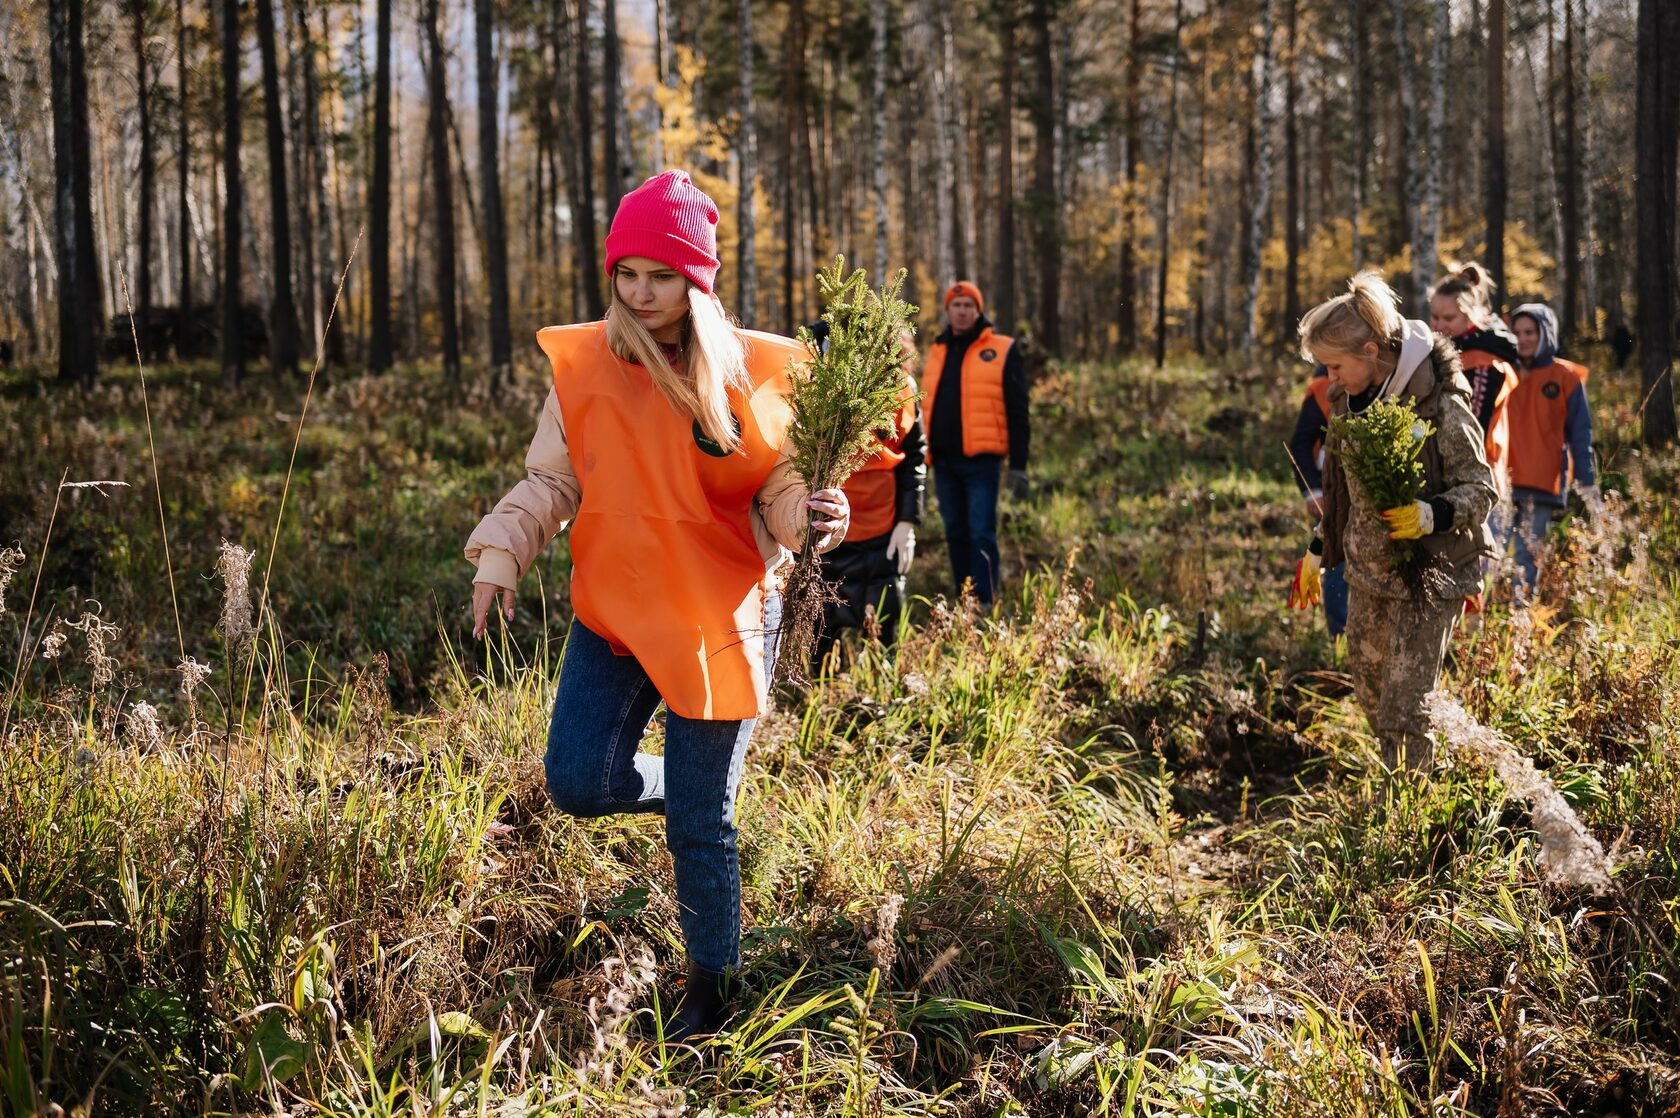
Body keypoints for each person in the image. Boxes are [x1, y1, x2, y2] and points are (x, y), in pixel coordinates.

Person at [463, 170, 850, 1045]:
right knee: (578, 780)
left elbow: (784, 489)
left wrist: (817, 515)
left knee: (697, 838)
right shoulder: (589, 364)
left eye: (662, 276)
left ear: (698, 279)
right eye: (627, 273)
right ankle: (699, 797)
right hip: (615, 615)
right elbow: (550, 481)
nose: (641, 293)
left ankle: (713, 991)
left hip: (719, 614)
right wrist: (499, 554)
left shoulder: (753, 373)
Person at [1288, 272, 1496, 773]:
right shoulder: (1346, 401)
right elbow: (1340, 492)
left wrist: (1432, 514)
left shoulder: (1441, 399)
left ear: (1369, 348)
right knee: (1373, 695)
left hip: (1433, 575)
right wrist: (1319, 551)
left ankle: (1410, 823)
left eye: (1336, 366)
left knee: (1407, 711)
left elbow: (1481, 488)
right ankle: (1419, 781)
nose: (1330, 379)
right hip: (1368, 574)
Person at [808, 322, 925, 668]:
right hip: (828, 533)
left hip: (882, 530)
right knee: (822, 631)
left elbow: (914, 456)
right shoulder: (826, 389)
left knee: (885, 632)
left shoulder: (905, 391)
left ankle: (883, 694)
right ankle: (822, 696)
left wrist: (907, 522)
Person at [924, 281, 1030, 607]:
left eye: (969, 305)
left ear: (978, 310)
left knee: (981, 530)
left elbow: (1018, 408)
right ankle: (964, 597)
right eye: (956, 306)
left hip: (983, 461)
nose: (962, 311)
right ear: (948, 311)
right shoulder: (937, 350)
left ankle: (984, 601)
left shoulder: (1002, 348)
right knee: (954, 531)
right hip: (943, 461)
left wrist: (1019, 466)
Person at [1503, 302, 1601, 596]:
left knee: (1526, 557)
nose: (1523, 338)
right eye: (1517, 332)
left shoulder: (1566, 377)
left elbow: (1581, 434)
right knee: (1489, 555)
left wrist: (1587, 484)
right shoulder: (1505, 371)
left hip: (1543, 482)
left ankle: (1522, 620)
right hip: (1502, 483)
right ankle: (1477, 626)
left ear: (1546, 332)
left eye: (1530, 331)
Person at [1285, 363, 1349, 638]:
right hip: (1331, 494)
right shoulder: (1324, 387)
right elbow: (1301, 442)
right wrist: (1314, 490)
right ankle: (1340, 637)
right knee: (1337, 565)